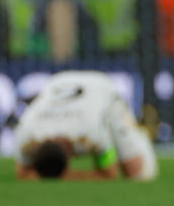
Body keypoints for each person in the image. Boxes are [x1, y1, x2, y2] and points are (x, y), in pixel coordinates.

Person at [15, 71, 157, 181]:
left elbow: (110, 173)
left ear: (70, 152)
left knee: (138, 172)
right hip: (58, 81)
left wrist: (65, 177)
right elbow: (22, 173)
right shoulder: (26, 135)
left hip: (103, 90)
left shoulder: (90, 135)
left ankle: (139, 134)